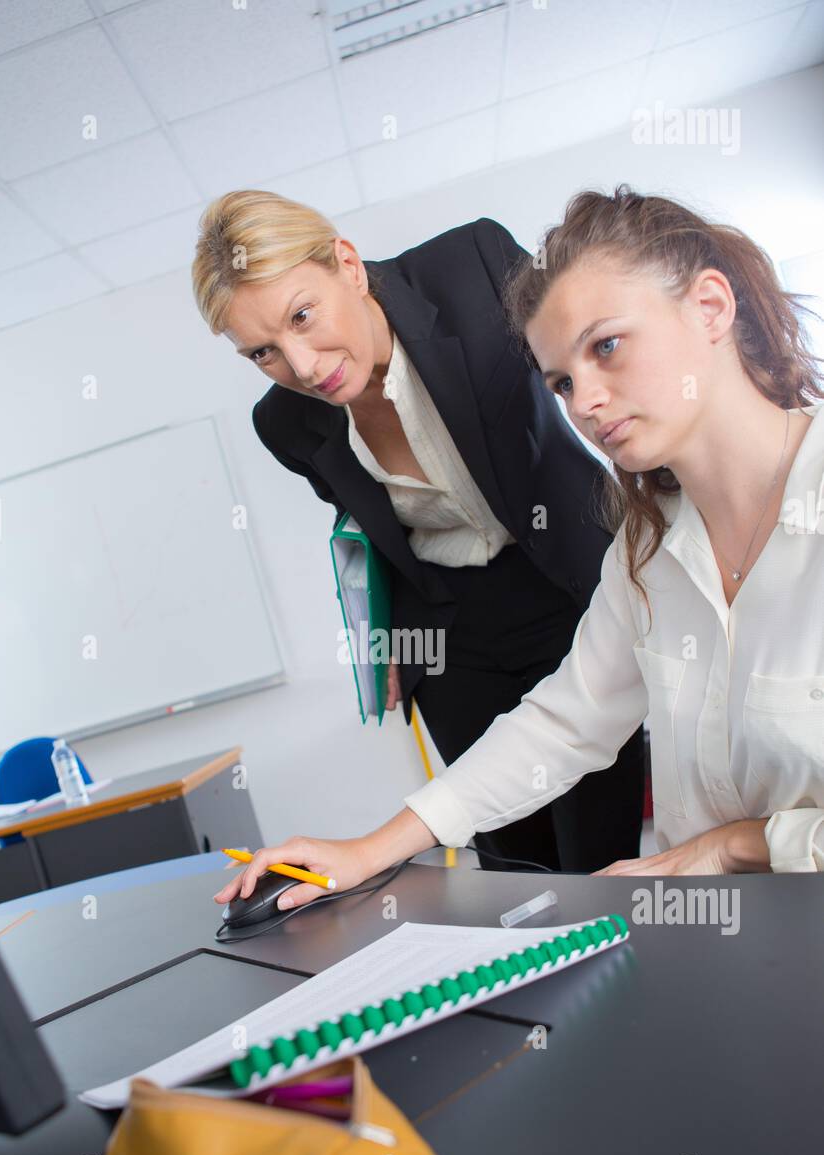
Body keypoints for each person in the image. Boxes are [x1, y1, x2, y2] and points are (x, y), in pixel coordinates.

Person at [214, 182, 824, 917]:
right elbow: (566, 722)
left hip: (552, 585)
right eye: (560, 380)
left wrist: (732, 847)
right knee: (518, 877)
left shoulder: (469, 274)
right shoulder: (649, 550)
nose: (586, 403)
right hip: (716, 932)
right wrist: (365, 852)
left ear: (711, 309)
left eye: (607, 347)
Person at [191, 192, 644, 874]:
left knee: (597, 851)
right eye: (264, 352)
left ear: (346, 263)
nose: (304, 366)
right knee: (507, 856)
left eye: (302, 317)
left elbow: (594, 368)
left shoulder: (475, 269)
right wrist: (391, 634)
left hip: (567, 581)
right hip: (453, 632)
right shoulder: (283, 426)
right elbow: (371, 529)